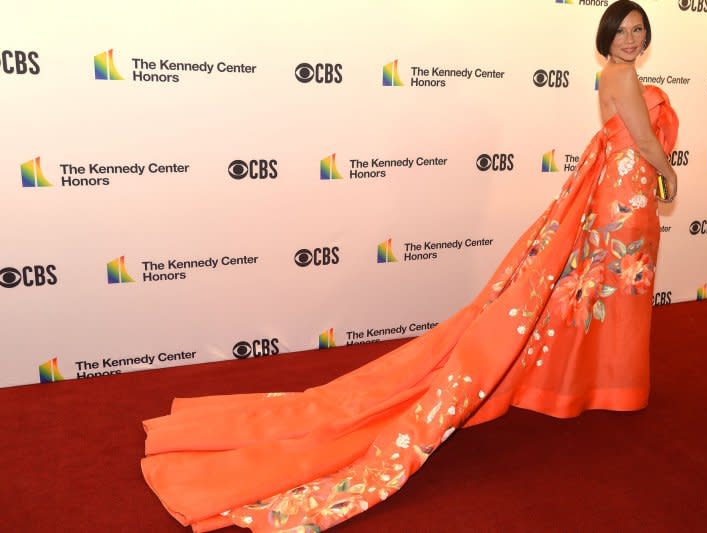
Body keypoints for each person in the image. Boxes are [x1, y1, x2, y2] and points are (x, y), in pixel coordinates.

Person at [140, 2, 678, 531]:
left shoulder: (615, 74)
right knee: (605, 292)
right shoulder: (623, 78)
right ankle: (602, 383)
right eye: (621, 31)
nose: (630, 39)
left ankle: (595, 383)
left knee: (595, 294)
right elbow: (646, 140)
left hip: (618, 192)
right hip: (623, 200)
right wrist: (670, 174)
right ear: (605, 37)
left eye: (638, 30)